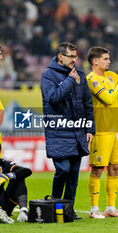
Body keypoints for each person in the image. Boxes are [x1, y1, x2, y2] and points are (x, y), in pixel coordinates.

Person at [40, 42, 95, 220]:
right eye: (71, 57)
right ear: (60, 57)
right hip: (58, 131)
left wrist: (90, 128)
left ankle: (68, 211)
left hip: (78, 132)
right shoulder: (48, 76)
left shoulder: (81, 75)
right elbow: (54, 99)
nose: (74, 60)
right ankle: (54, 205)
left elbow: (88, 104)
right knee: (62, 169)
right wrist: (70, 80)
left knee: (73, 177)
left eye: (75, 57)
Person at [86, 47, 118, 219]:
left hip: (115, 130)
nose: (109, 61)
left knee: (115, 168)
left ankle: (111, 208)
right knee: (97, 169)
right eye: (105, 59)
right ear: (95, 61)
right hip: (101, 130)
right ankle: (93, 209)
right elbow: (108, 98)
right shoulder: (92, 79)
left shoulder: (111, 76)